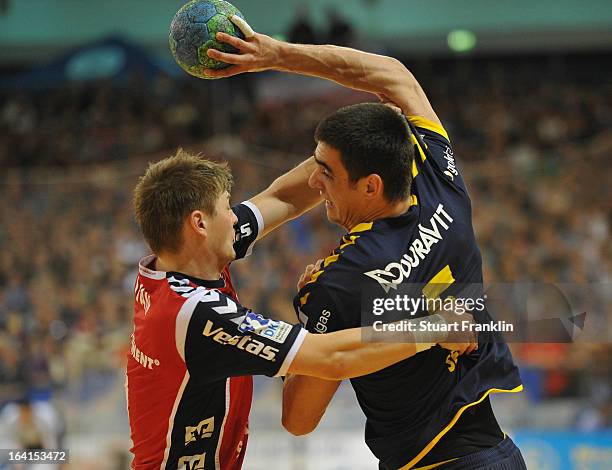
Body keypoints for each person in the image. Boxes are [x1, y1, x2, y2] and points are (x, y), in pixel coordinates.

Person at [205, 17, 526, 470]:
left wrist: (306, 318)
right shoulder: (439, 180)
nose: (315, 181)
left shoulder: (341, 282)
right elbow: (393, 76)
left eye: (327, 172)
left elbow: (298, 418)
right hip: (497, 455)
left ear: (371, 186)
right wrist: (276, 54)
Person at [126, 150, 476, 470]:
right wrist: (436, 328)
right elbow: (332, 357)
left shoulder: (184, 264)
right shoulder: (192, 311)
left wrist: (345, 142)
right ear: (199, 223)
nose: (235, 218)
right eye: (228, 207)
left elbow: (283, 197)